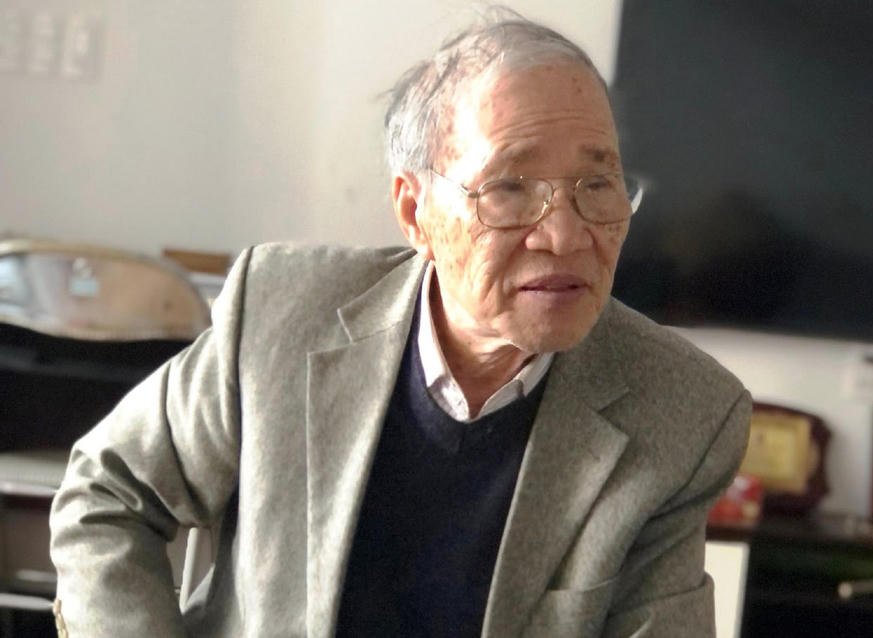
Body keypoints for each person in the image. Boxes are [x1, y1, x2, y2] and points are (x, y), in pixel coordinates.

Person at [49, 11, 751, 638]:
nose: (566, 235)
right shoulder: (284, 312)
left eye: (596, 185)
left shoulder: (681, 412)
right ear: (416, 213)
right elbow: (107, 496)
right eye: (510, 188)